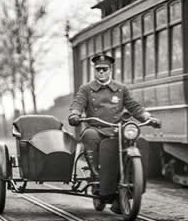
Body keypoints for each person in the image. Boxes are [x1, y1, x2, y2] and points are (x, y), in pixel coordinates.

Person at [67, 54, 160, 206]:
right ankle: (97, 174)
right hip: (96, 128)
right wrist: (75, 114)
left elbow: (134, 107)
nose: (101, 72)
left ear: (110, 70)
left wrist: (148, 118)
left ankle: (132, 183)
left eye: (104, 69)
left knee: (139, 141)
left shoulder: (121, 89)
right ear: (94, 71)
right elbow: (78, 103)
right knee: (90, 136)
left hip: (118, 129)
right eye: (98, 69)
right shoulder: (86, 89)